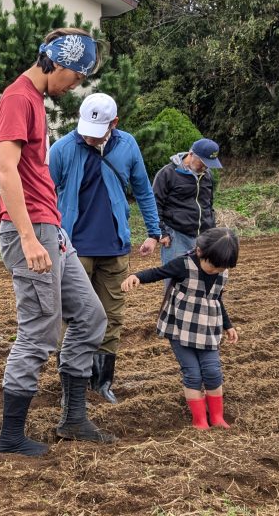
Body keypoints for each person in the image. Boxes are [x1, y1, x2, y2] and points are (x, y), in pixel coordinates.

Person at [0, 27, 117, 457]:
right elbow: (6, 171)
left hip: (51, 229)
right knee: (39, 332)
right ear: (57, 63)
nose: (75, 85)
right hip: (29, 231)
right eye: (76, 77)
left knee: (90, 316)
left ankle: (73, 418)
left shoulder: (36, 102)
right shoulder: (18, 98)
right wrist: (29, 238)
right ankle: (10, 437)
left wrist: (54, 233)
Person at [49, 92, 162, 404]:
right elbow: (44, 196)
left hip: (114, 247)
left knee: (111, 317)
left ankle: (102, 384)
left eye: (96, 131)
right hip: (73, 249)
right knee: (73, 318)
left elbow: (143, 189)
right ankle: (71, 387)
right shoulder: (61, 149)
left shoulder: (127, 145)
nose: (88, 137)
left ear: (115, 123)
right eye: (85, 129)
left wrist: (154, 231)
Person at [121, 227, 239, 430]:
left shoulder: (222, 271)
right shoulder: (183, 265)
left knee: (212, 372)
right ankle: (200, 420)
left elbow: (217, 299)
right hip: (180, 327)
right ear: (200, 252)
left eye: (221, 268)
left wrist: (228, 325)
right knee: (192, 373)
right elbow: (158, 273)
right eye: (213, 267)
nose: (217, 271)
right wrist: (137, 276)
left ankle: (218, 417)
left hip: (208, 328)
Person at [152, 138, 223, 266]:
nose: (205, 167)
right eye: (203, 162)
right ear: (191, 154)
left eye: (209, 164)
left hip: (204, 237)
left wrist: (212, 228)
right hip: (177, 237)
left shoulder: (207, 175)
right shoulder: (167, 173)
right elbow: (155, 205)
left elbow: (208, 204)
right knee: (175, 281)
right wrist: (162, 232)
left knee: (201, 280)